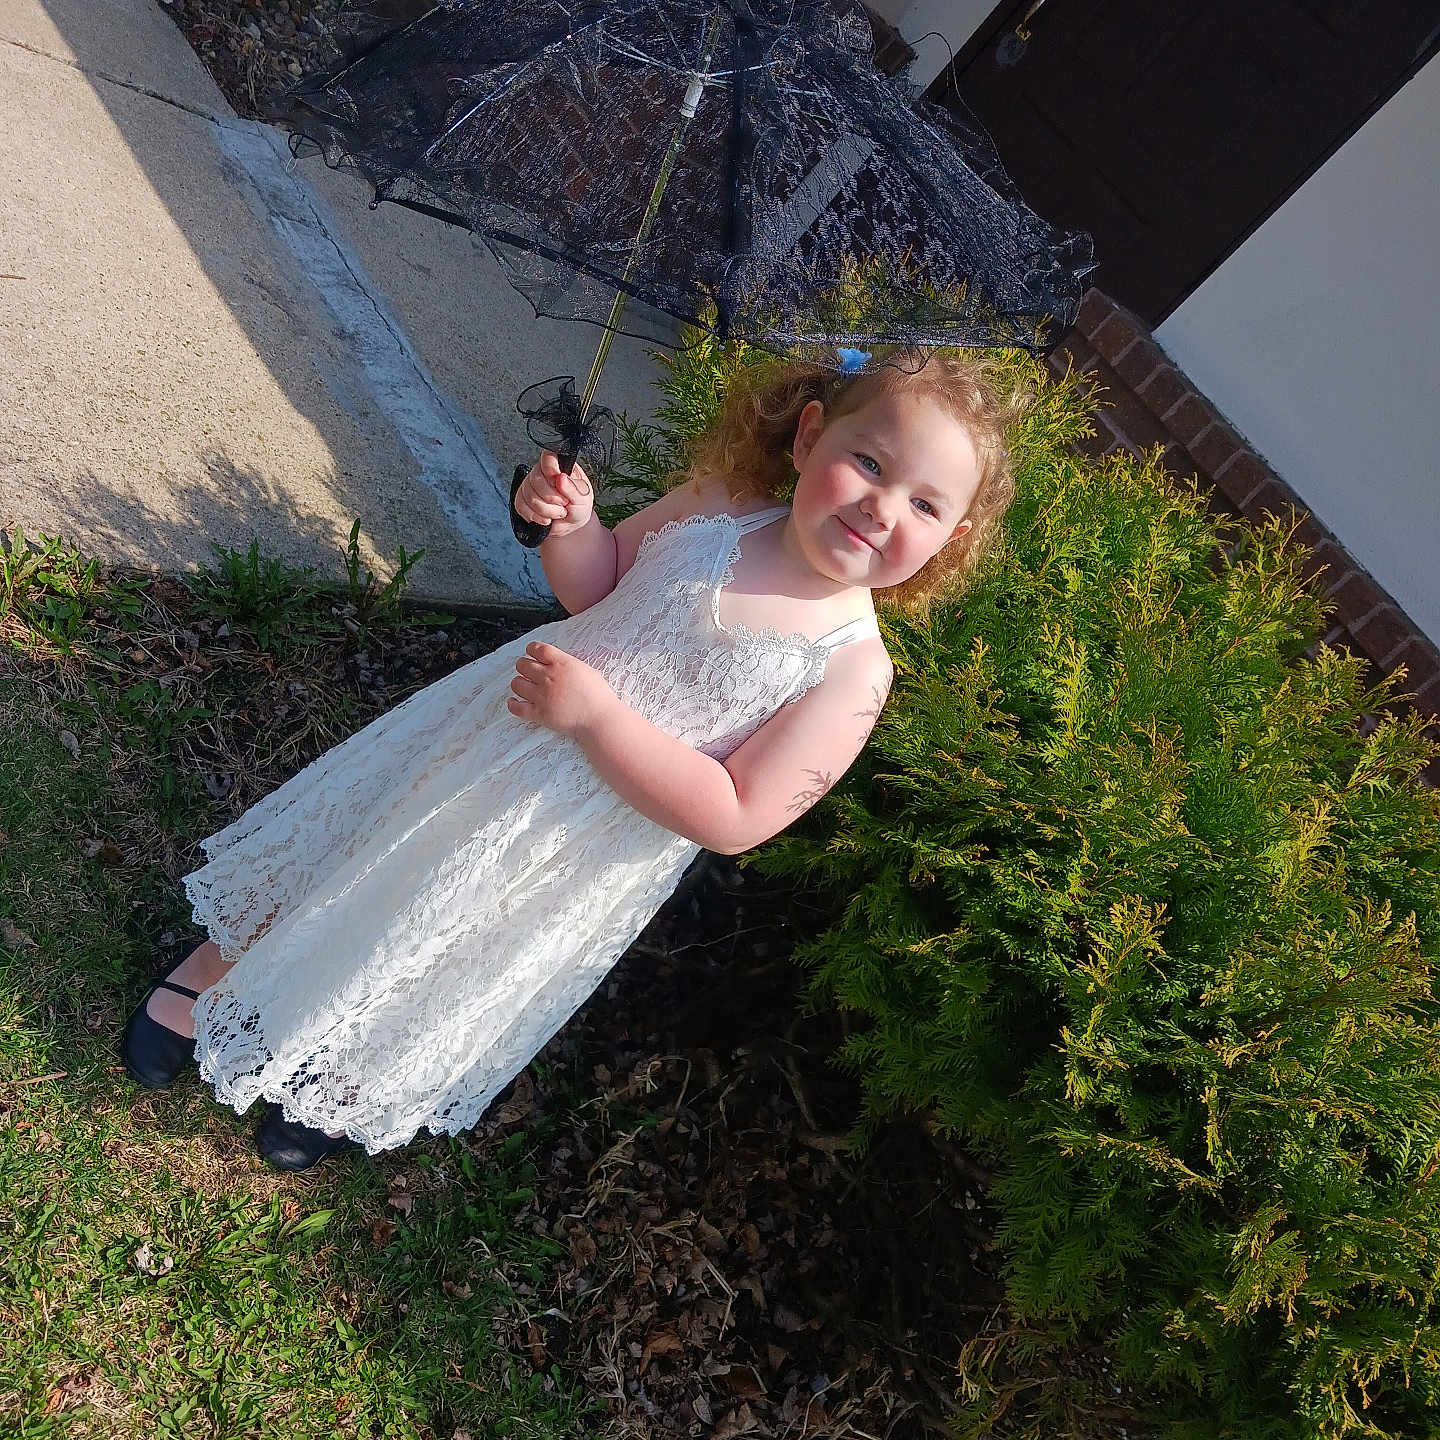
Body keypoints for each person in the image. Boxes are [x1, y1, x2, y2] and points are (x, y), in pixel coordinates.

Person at [120, 346, 1028, 1171]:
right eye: (869, 462)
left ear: (949, 542)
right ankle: (214, 976)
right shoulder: (720, 507)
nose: (881, 505)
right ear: (808, 435)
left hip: (576, 845)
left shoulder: (853, 671)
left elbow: (738, 816)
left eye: (924, 503)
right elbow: (598, 582)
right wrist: (570, 523)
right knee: (362, 852)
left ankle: (335, 1071)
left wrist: (598, 720)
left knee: (450, 941)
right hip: (493, 739)